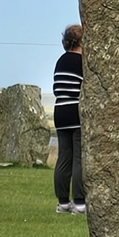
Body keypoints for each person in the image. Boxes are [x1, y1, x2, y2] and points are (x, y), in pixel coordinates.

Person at [53, 22, 85, 214]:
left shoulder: (61, 61)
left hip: (60, 111)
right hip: (75, 110)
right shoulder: (81, 62)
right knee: (79, 158)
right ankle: (79, 202)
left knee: (63, 157)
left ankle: (63, 202)